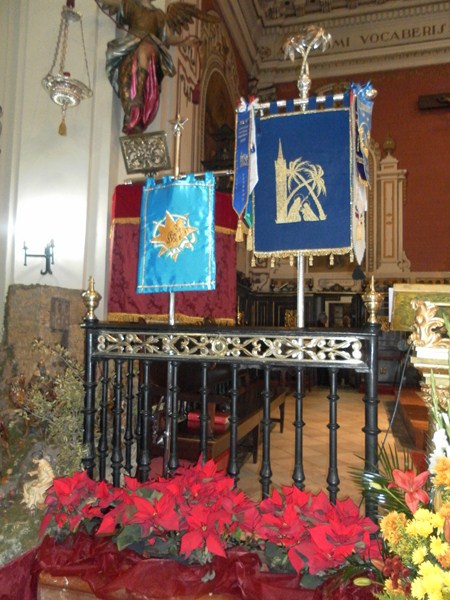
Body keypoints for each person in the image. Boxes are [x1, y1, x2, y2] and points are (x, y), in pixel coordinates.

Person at [97, 0, 215, 134]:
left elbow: (168, 38)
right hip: (130, 46)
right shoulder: (131, 5)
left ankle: (139, 96)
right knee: (126, 81)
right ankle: (132, 113)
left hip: (151, 48)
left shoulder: (159, 15)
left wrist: (186, 42)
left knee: (144, 49)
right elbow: (113, 2)